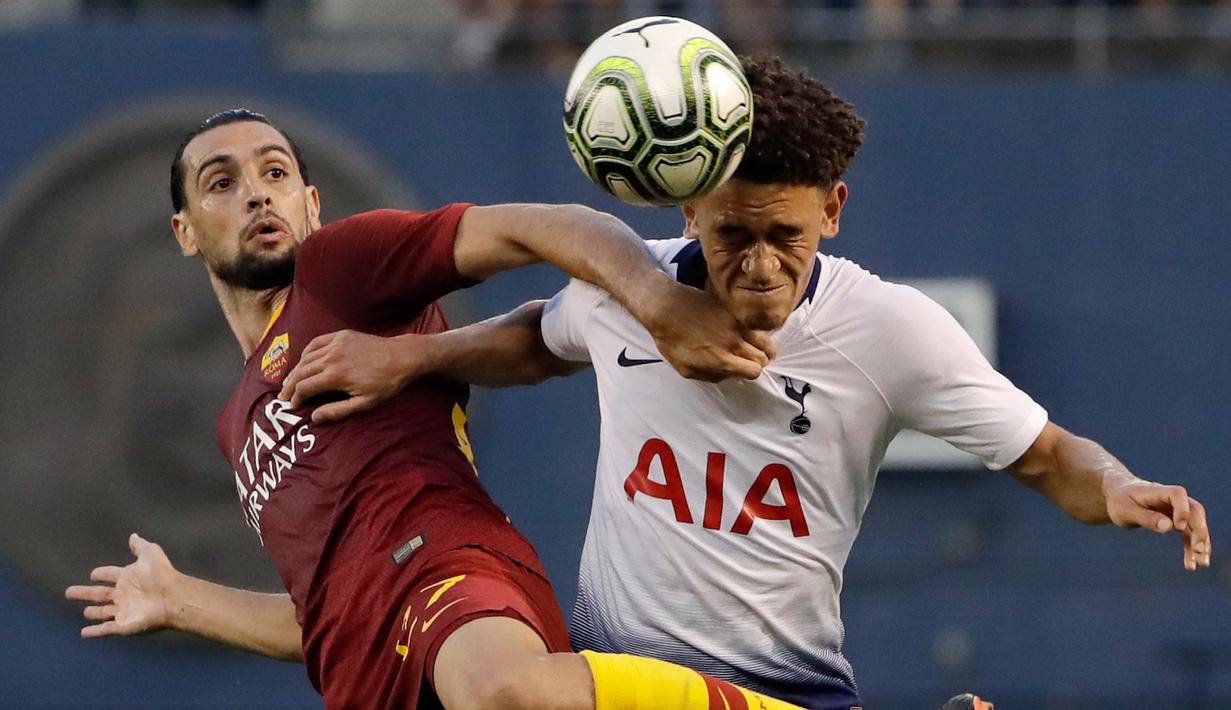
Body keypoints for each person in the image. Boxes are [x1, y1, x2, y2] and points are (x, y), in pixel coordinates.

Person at [268, 56, 1212, 708]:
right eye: (732, 235)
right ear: (689, 206)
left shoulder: (889, 331)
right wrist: (413, 357)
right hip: (616, 681)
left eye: (786, 236)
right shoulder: (624, 290)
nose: (759, 265)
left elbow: (1048, 456)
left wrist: (1118, 485)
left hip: (784, 688)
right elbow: (538, 339)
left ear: (833, 211)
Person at [66, 108, 811, 710]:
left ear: (310, 204)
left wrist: (652, 298)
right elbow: (323, 616)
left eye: (275, 173)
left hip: (446, 574)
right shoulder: (237, 425)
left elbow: (535, 225)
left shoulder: (341, 270)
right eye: (220, 183)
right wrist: (178, 599)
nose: (257, 193)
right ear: (184, 231)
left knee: (505, 693)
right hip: (366, 675)